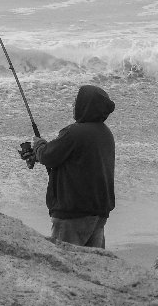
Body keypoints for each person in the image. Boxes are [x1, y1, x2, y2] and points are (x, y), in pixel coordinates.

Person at [22, 84, 116, 248]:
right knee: (94, 261)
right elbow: (77, 159)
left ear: (86, 106)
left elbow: (47, 156)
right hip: (98, 212)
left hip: (73, 214)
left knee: (65, 260)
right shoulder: (105, 134)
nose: (73, 105)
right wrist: (40, 153)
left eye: (77, 101)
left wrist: (38, 145)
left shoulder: (73, 133)